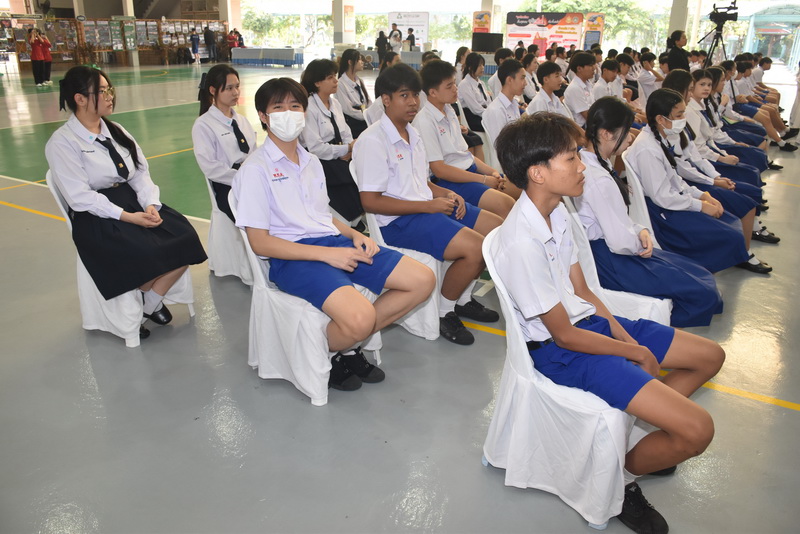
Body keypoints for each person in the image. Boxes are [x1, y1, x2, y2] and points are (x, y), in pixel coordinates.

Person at [491, 109, 725, 534]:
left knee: (710, 356)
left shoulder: (557, 212)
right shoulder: (521, 242)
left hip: (590, 328)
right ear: (537, 173)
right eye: (571, 158)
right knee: (697, 430)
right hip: (563, 353)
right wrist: (634, 351)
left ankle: (633, 447)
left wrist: (625, 338)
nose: (582, 166)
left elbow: (584, 293)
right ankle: (624, 478)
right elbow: (563, 335)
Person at [232, 77, 435, 391]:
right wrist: (328, 255)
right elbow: (260, 242)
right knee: (361, 319)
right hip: (292, 258)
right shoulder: (255, 169)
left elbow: (321, 216)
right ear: (263, 116)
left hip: (333, 243)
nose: (289, 114)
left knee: (422, 281)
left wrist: (354, 235)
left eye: (295, 106)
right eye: (278, 107)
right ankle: (334, 348)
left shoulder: (311, 162)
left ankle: (347, 342)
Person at [45, 66, 207, 337]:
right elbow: (80, 197)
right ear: (80, 99)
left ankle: (148, 302)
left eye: (110, 89)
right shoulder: (62, 142)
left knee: (185, 237)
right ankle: (142, 304)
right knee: (145, 251)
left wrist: (150, 204)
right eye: (102, 91)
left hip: (132, 202)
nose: (110, 96)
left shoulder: (116, 130)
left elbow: (140, 173)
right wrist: (128, 217)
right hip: (97, 215)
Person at [354, 63, 501, 345]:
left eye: (415, 95)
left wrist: (445, 194)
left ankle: (462, 298)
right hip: (398, 223)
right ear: (386, 100)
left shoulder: (413, 134)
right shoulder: (373, 140)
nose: (413, 102)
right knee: (476, 248)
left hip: (425, 210)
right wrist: (428, 206)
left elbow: (421, 183)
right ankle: (445, 312)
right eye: (404, 95)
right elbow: (370, 201)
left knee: (495, 230)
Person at [576, 97, 723, 327]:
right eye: (625, 132)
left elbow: (617, 221)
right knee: (702, 291)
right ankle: (660, 325)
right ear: (606, 134)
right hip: (612, 260)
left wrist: (640, 230)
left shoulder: (595, 163)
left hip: (616, 247)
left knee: (699, 273)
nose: (630, 137)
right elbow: (619, 241)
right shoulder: (598, 179)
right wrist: (640, 241)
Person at [625, 88, 771, 274]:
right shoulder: (648, 149)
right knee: (729, 234)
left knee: (730, 221)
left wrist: (702, 195)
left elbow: (674, 179)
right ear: (661, 119)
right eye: (679, 115)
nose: (683, 118)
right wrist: (700, 206)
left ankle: (713, 268)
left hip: (672, 202)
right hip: (662, 213)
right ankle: (705, 274)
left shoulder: (660, 138)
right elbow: (663, 197)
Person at [417, 60, 517, 218]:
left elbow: (466, 155)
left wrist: (492, 172)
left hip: (469, 172)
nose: (455, 88)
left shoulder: (449, 111)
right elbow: (439, 170)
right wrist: (483, 179)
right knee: (506, 204)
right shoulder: (425, 121)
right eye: (449, 86)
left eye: (454, 83)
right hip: (450, 182)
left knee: (523, 189)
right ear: (433, 92)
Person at [300, 59, 364, 224]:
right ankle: (350, 221)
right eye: (330, 78)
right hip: (321, 160)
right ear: (317, 82)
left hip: (341, 154)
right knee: (347, 180)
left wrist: (350, 149)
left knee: (363, 170)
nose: (336, 81)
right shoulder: (308, 107)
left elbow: (346, 133)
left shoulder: (335, 104)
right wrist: (345, 149)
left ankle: (358, 219)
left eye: (335, 76)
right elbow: (315, 148)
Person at [192, 64, 256, 222]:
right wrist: (242, 178)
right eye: (229, 88)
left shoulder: (242, 121)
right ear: (213, 90)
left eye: (237, 86)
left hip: (250, 178)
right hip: (228, 186)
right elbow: (211, 167)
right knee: (260, 216)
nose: (235, 93)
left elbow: (254, 153)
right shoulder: (203, 125)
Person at [482, 58, 526, 147]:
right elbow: (500, 147)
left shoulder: (513, 104)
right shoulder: (496, 110)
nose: (525, 83)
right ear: (509, 80)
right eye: (522, 78)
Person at [336, 49, 371, 138]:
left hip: (365, 119)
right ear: (350, 62)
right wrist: (366, 115)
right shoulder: (341, 83)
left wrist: (371, 113)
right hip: (353, 124)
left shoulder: (359, 81)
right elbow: (348, 110)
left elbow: (368, 101)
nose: (362, 62)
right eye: (359, 59)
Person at [458, 52, 492, 132]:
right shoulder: (464, 84)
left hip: (483, 114)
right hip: (473, 118)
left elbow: (488, 102)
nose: (482, 68)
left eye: (483, 65)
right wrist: (491, 116)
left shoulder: (481, 83)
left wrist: (493, 112)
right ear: (470, 67)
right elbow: (475, 109)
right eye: (479, 65)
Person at [563, 52, 596, 128]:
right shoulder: (575, 88)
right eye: (590, 65)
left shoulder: (588, 84)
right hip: (581, 128)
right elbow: (587, 116)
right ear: (579, 68)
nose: (594, 68)